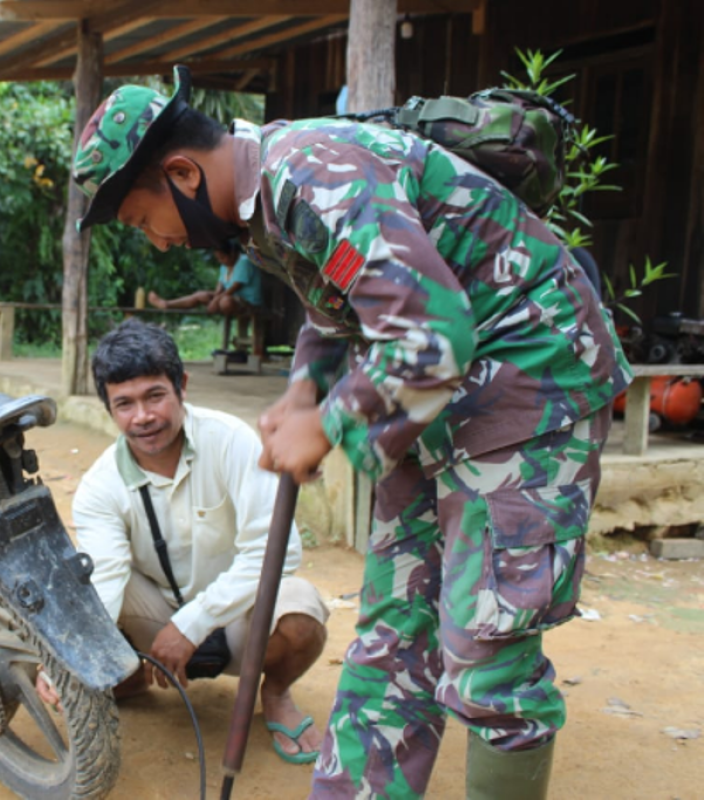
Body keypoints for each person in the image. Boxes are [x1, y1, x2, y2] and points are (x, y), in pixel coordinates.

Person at [70, 66, 631, 799]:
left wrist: (329, 423)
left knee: (487, 654)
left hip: (527, 388)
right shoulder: (265, 208)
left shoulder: (313, 173)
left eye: (145, 219)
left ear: (180, 172)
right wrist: (304, 390)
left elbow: (433, 332)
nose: (160, 242)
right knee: (395, 635)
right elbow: (334, 310)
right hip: (436, 403)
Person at [63, 318, 330, 765]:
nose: (142, 417)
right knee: (92, 584)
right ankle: (129, 673)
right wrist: (72, 661)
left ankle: (277, 691)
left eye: (154, 396)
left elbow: (276, 549)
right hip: (155, 622)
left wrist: (193, 623)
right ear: (108, 409)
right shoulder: (98, 487)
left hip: (240, 619)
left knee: (302, 610)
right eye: (124, 403)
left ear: (182, 386)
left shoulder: (232, 441)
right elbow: (105, 583)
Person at [147, 239, 263, 318]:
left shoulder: (244, 262)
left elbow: (233, 288)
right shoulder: (225, 266)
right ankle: (167, 304)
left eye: (222, 257)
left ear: (232, 253)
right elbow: (220, 287)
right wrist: (214, 299)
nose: (220, 261)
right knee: (200, 295)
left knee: (225, 301)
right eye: (218, 258)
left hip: (248, 303)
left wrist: (215, 301)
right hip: (228, 298)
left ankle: (216, 307)